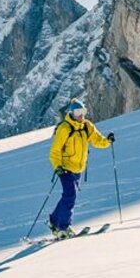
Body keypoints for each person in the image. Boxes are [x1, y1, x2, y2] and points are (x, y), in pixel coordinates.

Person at [47, 99, 114, 239]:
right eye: (78, 112)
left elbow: (97, 140)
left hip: (78, 168)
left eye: (83, 111)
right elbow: (55, 150)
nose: (81, 115)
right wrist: (57, 167)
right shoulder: (65, 128)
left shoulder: (87, 126)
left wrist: (107, 142)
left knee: (68, 195)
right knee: (70, 195)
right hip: (65, 168)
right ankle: (63, 227)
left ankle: (54, 221)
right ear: (71, 112)